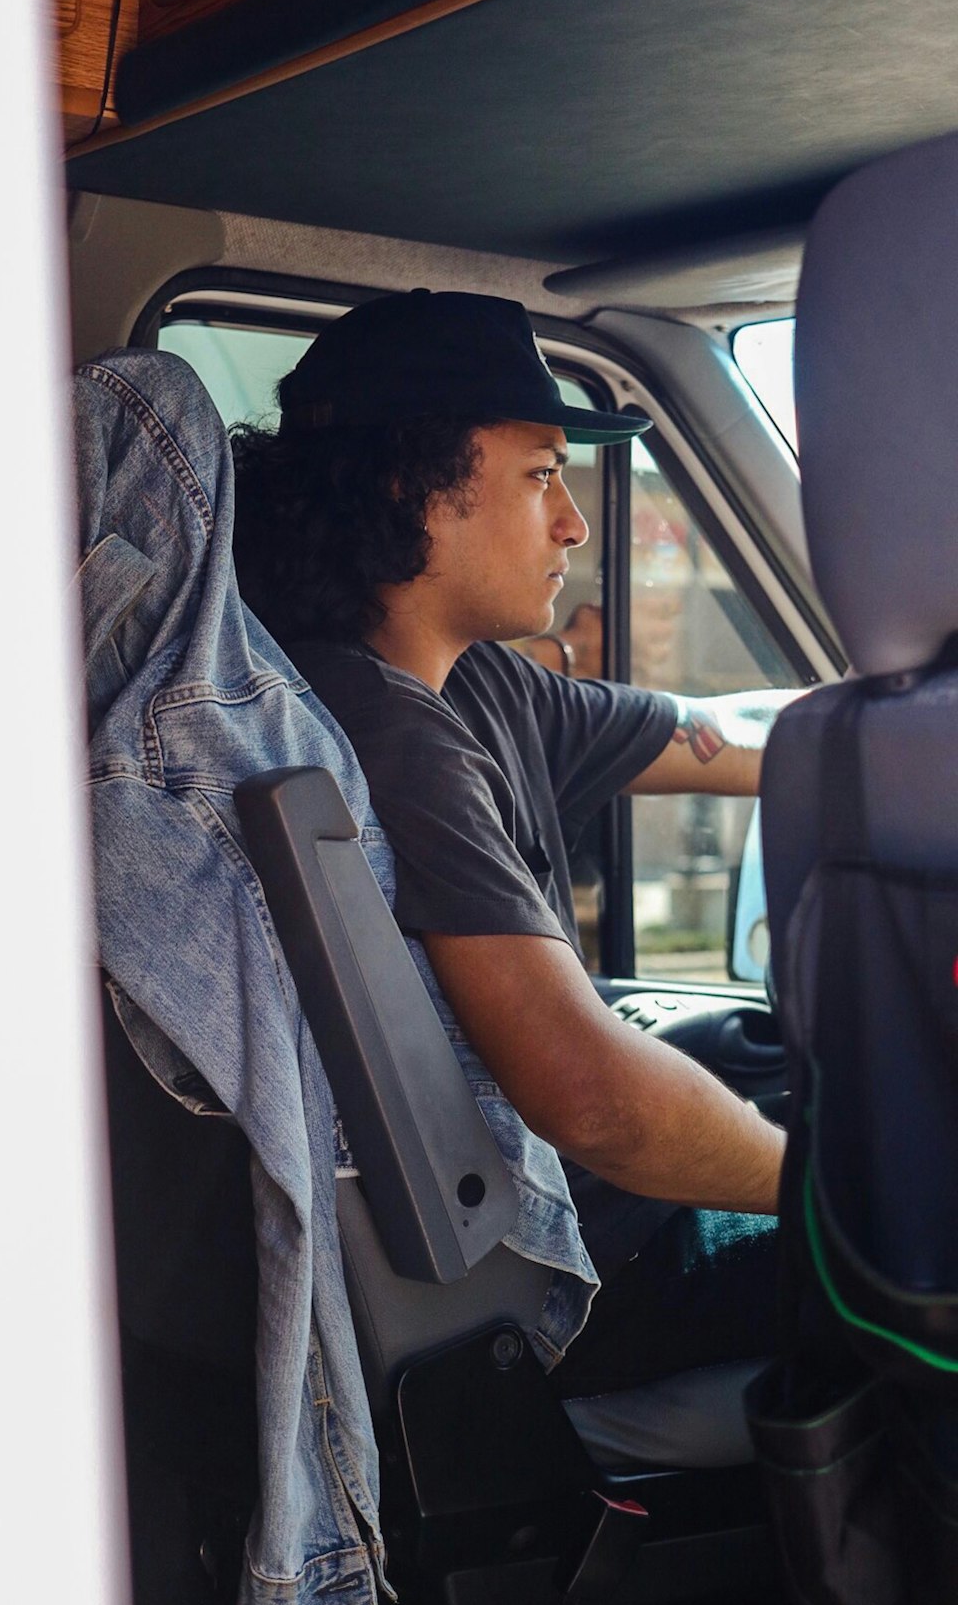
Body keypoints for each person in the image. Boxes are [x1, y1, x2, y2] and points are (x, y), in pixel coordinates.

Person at [232, 289, 786, 1397]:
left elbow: (723, 739)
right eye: (540, 474)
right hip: (553, 1277)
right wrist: (843, 1183)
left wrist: (898, 736)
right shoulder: (377, 738)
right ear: (410, 484)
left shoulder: (474, 682)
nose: (575, 520)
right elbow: (592, 1099)